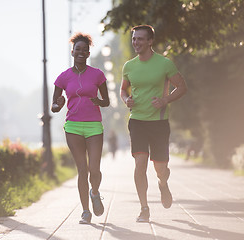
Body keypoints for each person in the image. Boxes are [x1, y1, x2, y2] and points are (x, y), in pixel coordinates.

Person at [120, 25, 187, 222]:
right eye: (134, 39)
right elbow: (124, 90)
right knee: (140, 165)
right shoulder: (129, 66)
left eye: (140, 39)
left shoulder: (165, 64)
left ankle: (163, 183)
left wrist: (165, 100)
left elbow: (181, 87)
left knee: (160, 168)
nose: (136, 42)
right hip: (137, 121)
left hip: (159, 122)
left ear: (150, 41)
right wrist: (126, 100)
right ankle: (144, 208)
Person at [51, 32, 110, 224]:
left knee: (95, 169)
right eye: (78, 49)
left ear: (88, 52)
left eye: (85, 49)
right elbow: (54, 106)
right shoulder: (63, 77)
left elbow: (107, 101)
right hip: (73, 126)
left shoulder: (98, 75)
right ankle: (85, 211)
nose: (81, 52)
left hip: (94, 125)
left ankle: (95, 192)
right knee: (82, 170)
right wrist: (58, 104)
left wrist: (98, 101)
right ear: (72, 52)